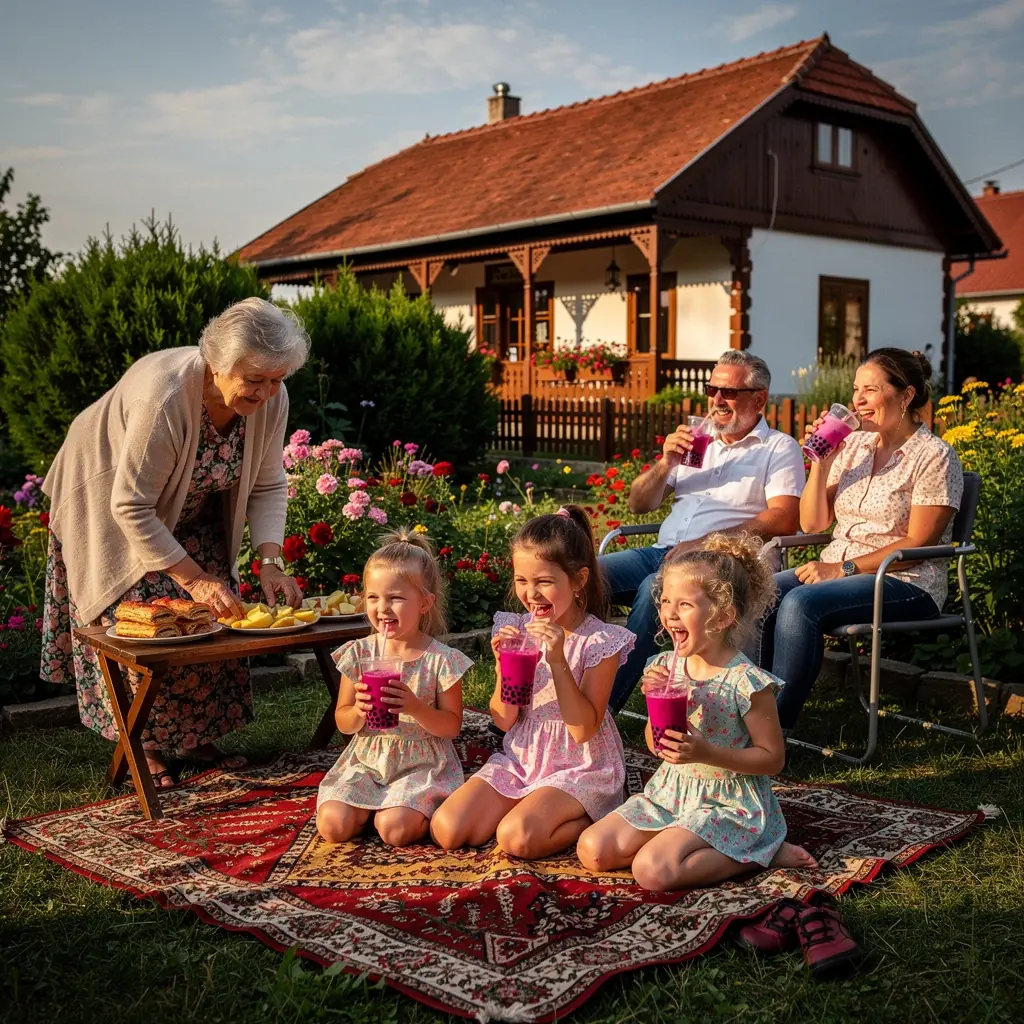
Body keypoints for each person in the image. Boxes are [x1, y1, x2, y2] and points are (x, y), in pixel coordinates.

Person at [40, 298, 308, 787]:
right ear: (218, 363)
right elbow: (130, 506)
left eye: (277, 378)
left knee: (215, 611)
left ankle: (194, 735)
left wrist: (269, 562)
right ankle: (140, 742)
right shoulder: (164, 396)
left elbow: (269, 482)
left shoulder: (271, 397)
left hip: (188, 502)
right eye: (256, 379)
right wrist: (193, 578)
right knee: (143, 617)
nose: (268, 391)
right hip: (108, 500)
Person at [577, 534, 817, 891]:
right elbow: (659, 746)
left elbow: (773, 759)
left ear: (722, 617)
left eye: (685, 604)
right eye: (666, 601)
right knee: (593, 850)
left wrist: (708, 753)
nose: (669, 613)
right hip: (671, 793)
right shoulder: (665, 667)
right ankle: (681, 841)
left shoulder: (746, 681)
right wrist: (656, 707)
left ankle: (761, 850)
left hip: (728, 802)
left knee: (652, 871)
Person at [751, 348, 963, 732]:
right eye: (855, 390)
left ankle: (774, 731)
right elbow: (813, 520)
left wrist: (841, 569)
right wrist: (822, 462)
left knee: (800, 603)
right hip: (840, 573)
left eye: (870, 390)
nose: (857, 401)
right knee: (759, 593)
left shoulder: (934, 456)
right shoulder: (856, 448)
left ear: (906, 395)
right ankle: (748, 715)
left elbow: (918, 544)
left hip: (905, 582)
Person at [600, 351, 805, 713]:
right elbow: (638, 504)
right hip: (664, 551)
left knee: (655, 590)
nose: (717, 400)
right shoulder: (697, 441)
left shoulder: (777, 447)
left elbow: (784, 517)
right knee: (582, 574)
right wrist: (666, 462)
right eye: (712, 389)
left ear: (759, 398)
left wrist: (709, 543)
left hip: (723, 564)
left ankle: (599, 709)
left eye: (728, 392)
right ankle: (549, 692)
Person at [430, 506, 635, 860]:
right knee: (447, 828)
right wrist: (502, 666)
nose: (531, 593)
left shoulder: (600, 641)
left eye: (544, 582)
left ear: (579, 579)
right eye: (522, 581)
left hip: (580, 764)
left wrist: (557, 661)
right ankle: (530, 806)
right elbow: (503, 719)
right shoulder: (517, 629)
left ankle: (595, 813)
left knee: (518, 838)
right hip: (525, 756)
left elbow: (584, 729)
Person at [316, 531, 471, 848]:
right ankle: (368, 807)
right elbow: (343, 719)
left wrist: (416, 708)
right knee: (332, 826)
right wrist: (357, 712)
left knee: (395, 830)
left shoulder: (441, 660)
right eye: (373, 598)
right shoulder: (359, 653)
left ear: (425, 603)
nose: (383, 608)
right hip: (368, 761)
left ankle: (402, 809)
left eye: (396, 598)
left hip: (421, 764)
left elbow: (452, 725)